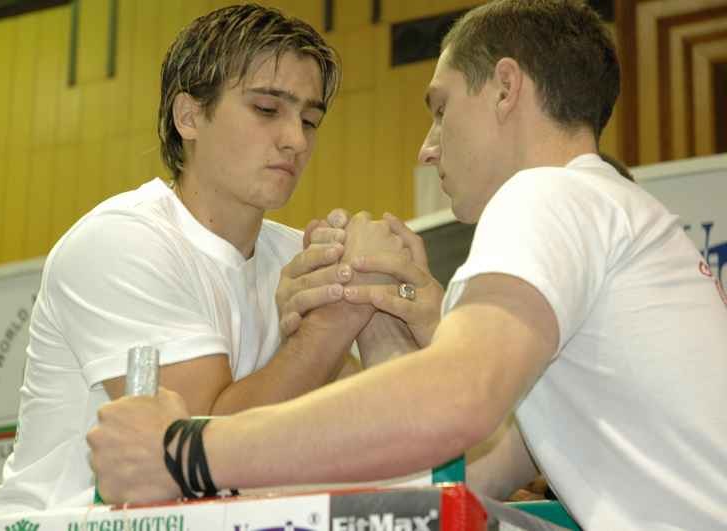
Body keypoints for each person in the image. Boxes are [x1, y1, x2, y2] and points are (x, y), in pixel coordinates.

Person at [87, 1, 727, 529]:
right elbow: (459, 477)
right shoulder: (606, 208)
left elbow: (455, 400)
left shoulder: (548, 193)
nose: (427, 148)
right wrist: (380, 315)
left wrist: (186, 451)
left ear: (506, 88)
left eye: (441, 109)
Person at [0, 4, 415, 515]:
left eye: (309, 120)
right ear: (189, 116)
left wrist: (390, 302)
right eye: (268, 110)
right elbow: (196, 456)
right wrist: (333, 321)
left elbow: (359, 423)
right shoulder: (121, 242)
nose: (296, 139)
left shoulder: (294, 255)